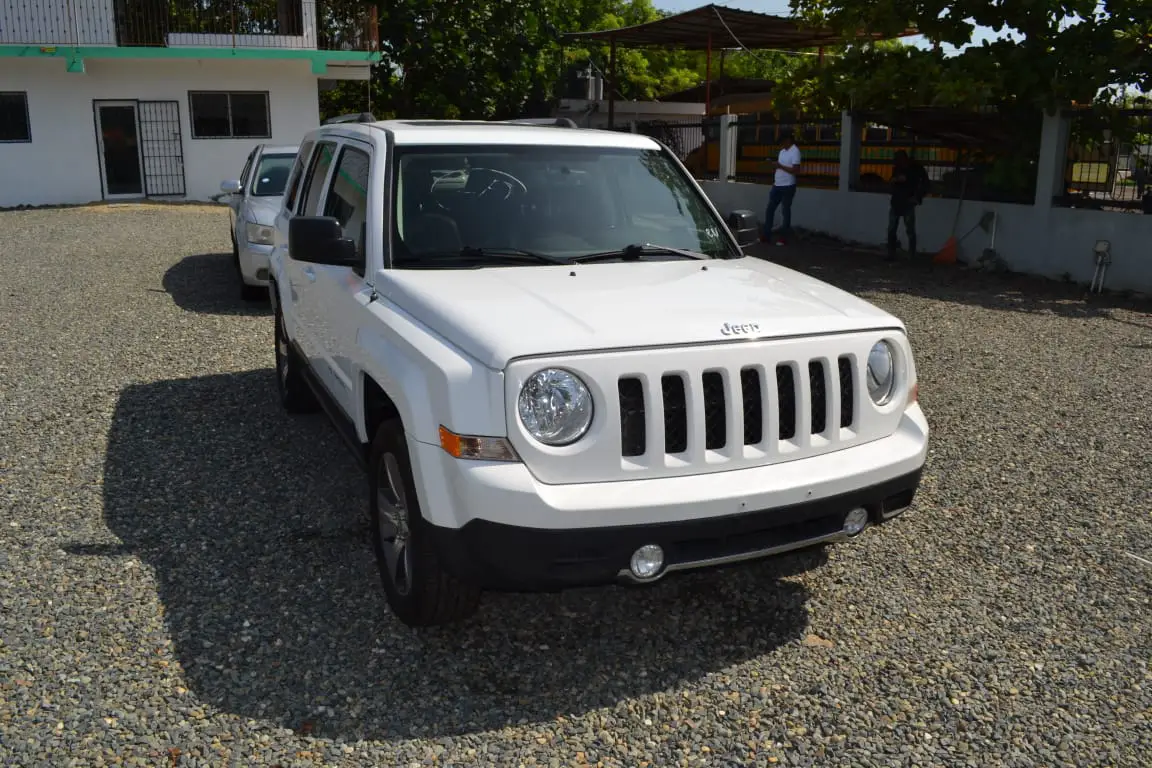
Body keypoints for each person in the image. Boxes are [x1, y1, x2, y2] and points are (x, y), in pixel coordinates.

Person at [887, 149, 930, 260]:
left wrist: (917, 197)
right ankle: (892, 253)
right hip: (897, 201)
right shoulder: (898, 169)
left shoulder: (916, 169)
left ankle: (911, 254)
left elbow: (925, 184)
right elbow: (891, 183)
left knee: (909, 230)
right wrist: (894, 180)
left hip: (907, 202)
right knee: (892, 229)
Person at [762, 129, 802, 246]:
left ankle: (783, 238)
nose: (782, 144)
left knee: (785, 212)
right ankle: (766, 235)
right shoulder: (782, 152)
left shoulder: (795, 151)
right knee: (770, 210)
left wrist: (780, 166)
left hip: (788, 186)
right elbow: (782, 167)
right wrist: (775, 166)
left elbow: (795, 170)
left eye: (783, 141)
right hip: (777, 185)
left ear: (788, 140)